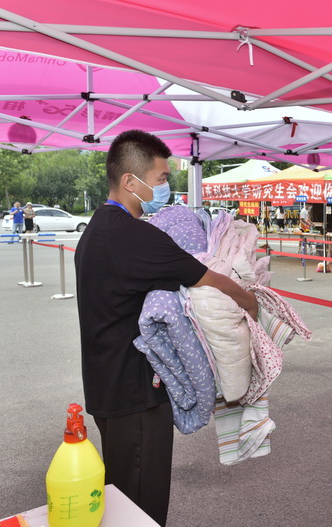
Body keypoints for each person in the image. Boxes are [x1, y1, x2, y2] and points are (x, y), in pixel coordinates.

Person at [74, 130, 258, 526]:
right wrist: (249, 301)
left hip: (107, 386)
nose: (165, 188)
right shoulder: (134, 235)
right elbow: (207, 277)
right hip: (136, 393)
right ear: (130, 181)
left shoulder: (97, 229)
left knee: (122, 494)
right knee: (142, 505)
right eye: (160, 178)